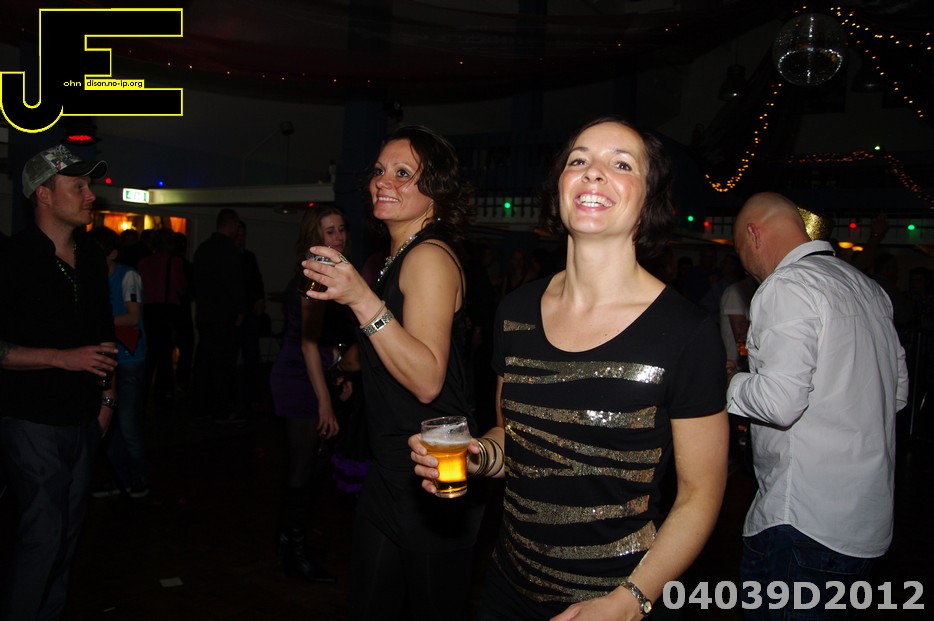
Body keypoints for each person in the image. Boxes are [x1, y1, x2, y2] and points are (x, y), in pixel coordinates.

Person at [410, 116, 729, 621]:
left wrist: (629, 602)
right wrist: (476, 456)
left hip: (615, 598)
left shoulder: (686, 332)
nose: (593, 172)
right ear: (560, 187)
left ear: (649, 198)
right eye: (579, 160)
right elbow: (511, 440)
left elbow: (700, 494)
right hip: (507, 590)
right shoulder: (515, 311)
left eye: (620, 164)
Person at [301, 125, 484, 620]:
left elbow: (426, 379)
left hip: (432, 472)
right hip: (392, 469)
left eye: (404, 173)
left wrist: (360, 298)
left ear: (436, 190)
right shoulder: (397, 257)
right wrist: (348, 365)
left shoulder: (428, 257)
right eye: (381, 170)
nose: (385, 181)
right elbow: (393, 342)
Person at [727, 192, 909, 620]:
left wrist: (728, 384)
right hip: (865, 521)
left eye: (739, 251)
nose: (745, 267)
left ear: (754, 234)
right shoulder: (868, 288)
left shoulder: (786, 286)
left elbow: (780, 403)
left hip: (803, 519)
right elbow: (897, 394)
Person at [0, 144, 117, 620]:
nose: (91, 196)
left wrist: (107, 399)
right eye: (79, 187)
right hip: (32, 421)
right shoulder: (13, 258)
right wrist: (60, 359)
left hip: (84, 420)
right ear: (44, 195)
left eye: (90, 186)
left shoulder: (90, 257)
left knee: (67, 536)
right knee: (43, 536)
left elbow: (104, 339)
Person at [268, 205, 354, 583]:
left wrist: (339, 373)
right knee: (303, 468)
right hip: (297, 378)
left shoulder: (330, 273)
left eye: (341, 229)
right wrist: (325, 403)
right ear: (315, 237)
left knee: (311, 466)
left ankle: (289, 539)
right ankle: (295, 552)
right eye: (330, 231)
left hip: (314, 373)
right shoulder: (314, 276)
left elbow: (324, 340)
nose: (339, 237)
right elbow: (306, 344)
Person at [86, 226, 151, 499]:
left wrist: (99, 324)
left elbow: (133, 317)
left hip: (129, 359)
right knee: (107, 425)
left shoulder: (128, 276)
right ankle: (121, 478)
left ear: (112, 254)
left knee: (128, 425)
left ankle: (140, 479)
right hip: (105, 357)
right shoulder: (91, 277)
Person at [192, 208, 245, 422]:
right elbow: (235, 284)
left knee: (205, 361)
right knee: (223, 364)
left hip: (205, 315)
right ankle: (221, 409)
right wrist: (240, 310)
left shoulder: (202, 249)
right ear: (231, 225)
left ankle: (200, 407)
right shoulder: (229, 250)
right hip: (224, 317)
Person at [137, 227, 188, 408]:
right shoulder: (174, 261)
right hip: (167, 310)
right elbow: (181, 287)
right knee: (165, 355)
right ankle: (161, 395)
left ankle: (143, 394)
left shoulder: (144, 262)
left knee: (149, 355)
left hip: (148, 311)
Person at [236, 220, 268, 412]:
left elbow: (257, 280)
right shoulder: (230, 257)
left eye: (244, 235)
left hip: (249, 315)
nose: (242, 239)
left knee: (251, 356)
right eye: (239, 235)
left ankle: (252, 396)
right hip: (235, 315)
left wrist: (260, 299)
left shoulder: (249, 257)